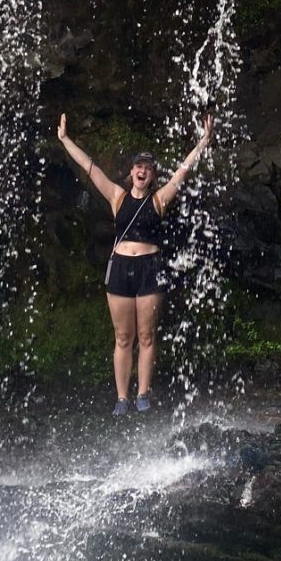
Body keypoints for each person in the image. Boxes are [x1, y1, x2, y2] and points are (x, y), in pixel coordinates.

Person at [56, 111, 215, 414]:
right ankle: (121, 398)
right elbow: (90, 168)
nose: (142, 171)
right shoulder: (117, 196)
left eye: (148, 168)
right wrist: (65, 140)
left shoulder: (159, 200)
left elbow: (183, 171)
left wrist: (204, 141)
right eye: (138, 166)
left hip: (149, 269)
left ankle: (142, 393)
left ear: (153, 175)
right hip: (120, 269)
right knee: (123, 337)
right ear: (131, 172)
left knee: (146, 335)